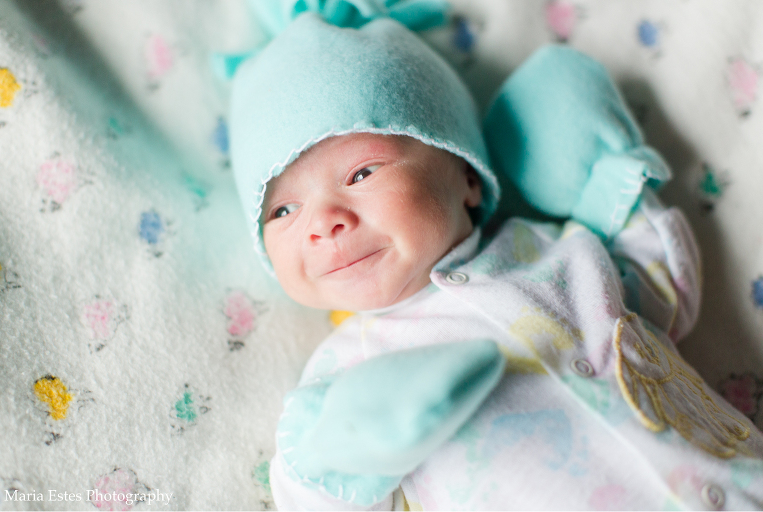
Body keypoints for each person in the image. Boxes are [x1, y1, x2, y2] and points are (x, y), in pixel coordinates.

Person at [226, 2, 763, 510]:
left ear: (467, 178)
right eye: (282, 212)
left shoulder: (553, 249)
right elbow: (312, 498)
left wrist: (613, 184)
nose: (323, 222)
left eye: (361, 173)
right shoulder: (350, 370)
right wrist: (340, 453)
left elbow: (661, 297)